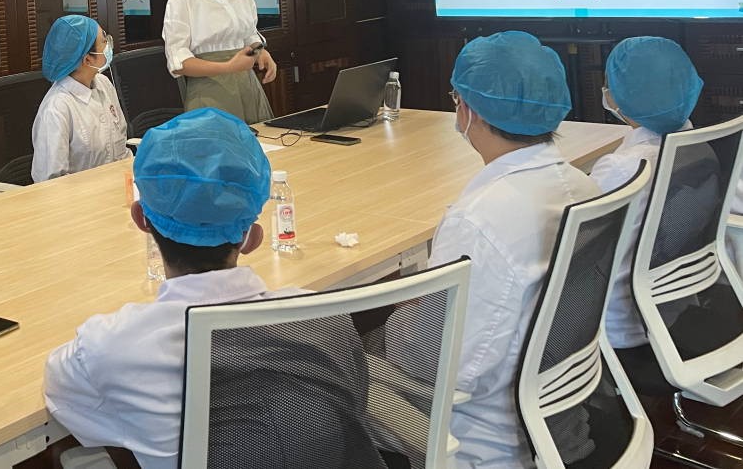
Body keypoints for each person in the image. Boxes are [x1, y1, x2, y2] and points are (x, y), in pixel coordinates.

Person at [45, 109, 381, 469]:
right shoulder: (324, 320)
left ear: (141, 219)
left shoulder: (111, 348)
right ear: (252, 237)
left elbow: (63, 393)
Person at [388, 31, 598, 469]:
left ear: (468, 110)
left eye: (456, 99)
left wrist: (395, 317)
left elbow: (439, 363)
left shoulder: (477, 222)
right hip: (558, 411)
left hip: (485, 438)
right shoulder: (582, 185)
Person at [590, 37, 704, 351]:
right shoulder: (699, 146)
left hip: (619, 331)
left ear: (617, 96)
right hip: (673, 307)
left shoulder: (622, 169)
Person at [31, 14, 128, 182]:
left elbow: (121, 149)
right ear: (88, 59)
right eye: (104, 41)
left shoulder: (103, 84)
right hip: (83, 196)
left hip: (118, 185)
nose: (109, 45)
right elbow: (50, 182)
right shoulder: (56, 109)